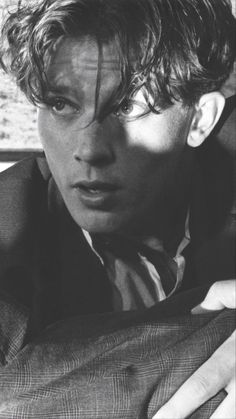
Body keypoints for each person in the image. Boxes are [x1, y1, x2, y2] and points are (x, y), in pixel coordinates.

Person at [0, 0, 235, 417]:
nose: (88, 150)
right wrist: (217, 333)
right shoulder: (10, 215)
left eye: (127, 107)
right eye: (61, 104)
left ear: (199, 119)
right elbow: (11, 395)